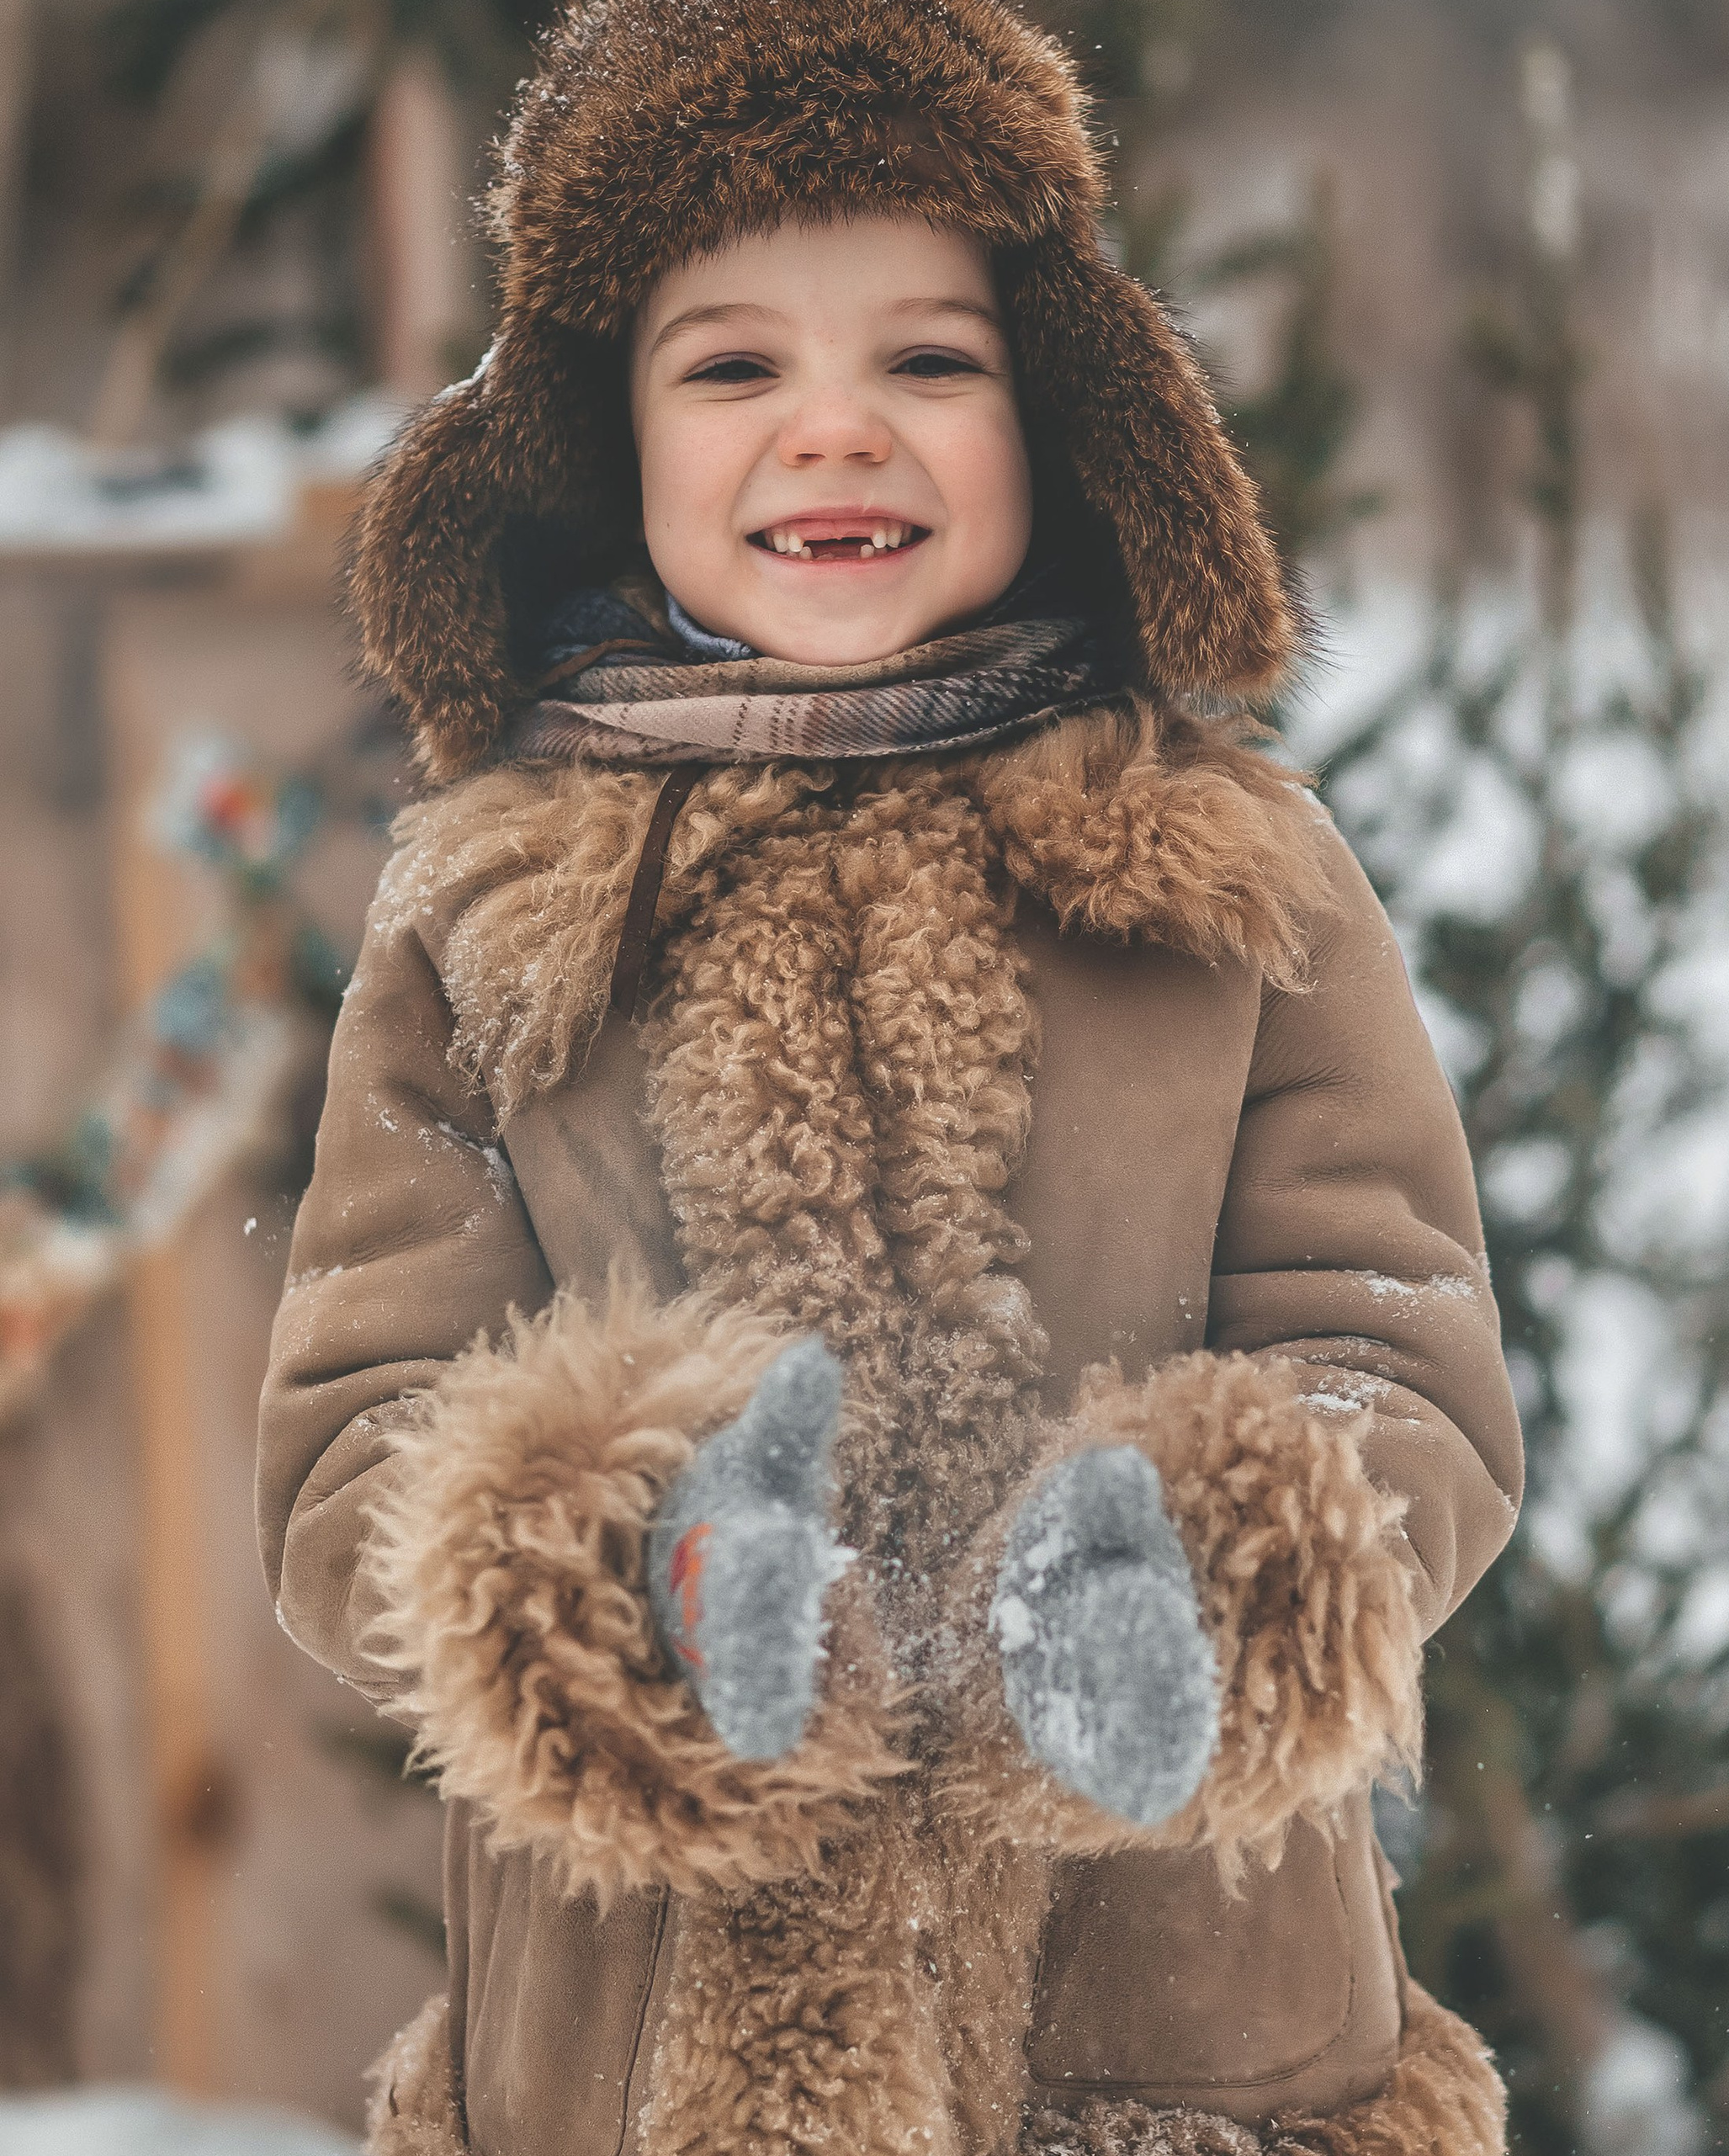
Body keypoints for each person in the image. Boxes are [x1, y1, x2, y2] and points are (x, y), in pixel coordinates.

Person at [256, 4, 1525, 2153]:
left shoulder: (1228, 887)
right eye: (733, 366)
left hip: (1171, 2037)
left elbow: (1391, 1357)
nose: (834, 432)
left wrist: (1211, 1583)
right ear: (599, 439)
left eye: (930, 363)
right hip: (635, 2062)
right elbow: (348, 1451)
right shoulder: (489, 916)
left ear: (1067, 412)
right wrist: (616, 1589)